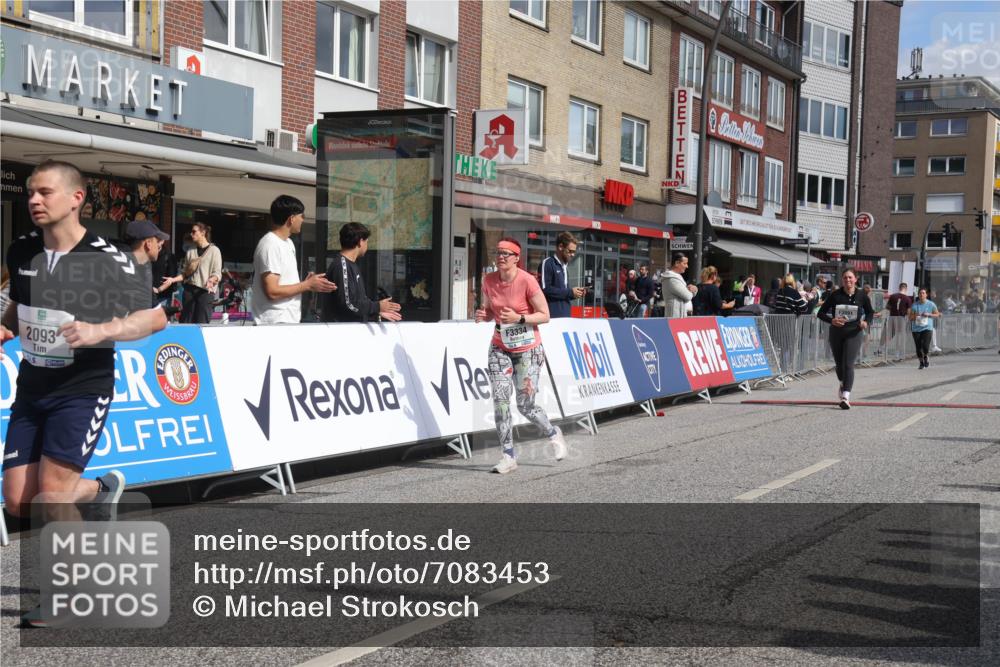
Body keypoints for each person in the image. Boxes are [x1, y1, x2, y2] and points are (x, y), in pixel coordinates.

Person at [1, 161, 167, 540]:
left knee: (53, 498)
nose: (34, 200)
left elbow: (155, 319)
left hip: (81, 389)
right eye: (30, 193)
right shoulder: (21, 250)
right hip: (31, 387)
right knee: (18, 501)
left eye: (45, 192)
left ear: (76, 198)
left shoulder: (108, 258)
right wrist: (5, 328)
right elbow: (17, 305)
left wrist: (102, 329)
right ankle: (99, 491)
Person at [474, 237, 566, 474]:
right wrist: (483, 315)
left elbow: (544, 315)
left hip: (528, 349)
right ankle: (508, 456)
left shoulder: (527, 281)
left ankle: (552, 432)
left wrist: (519, 318)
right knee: (501, 402)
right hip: (499, 347)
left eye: (506, 253)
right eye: (498, 252)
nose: (501, 257)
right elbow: (488, 309)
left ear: (517, 258)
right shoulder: (489, 280)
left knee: (525, 404)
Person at [251, 195, 336, 325]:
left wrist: (307, 284)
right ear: (291, 219)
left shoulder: (288, 243)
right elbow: (272, 291)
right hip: (273, 322)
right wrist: (306, 285)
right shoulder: (270, 245)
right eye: (302, 216)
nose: (303, 219)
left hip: (288, 320)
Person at [817, 269, 874, 409]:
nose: (847, 280)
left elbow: (870, 312)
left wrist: (866, 322)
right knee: (839, 365)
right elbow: (820, 313)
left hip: (854, 332)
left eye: (850, 277)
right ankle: (843, 383)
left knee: (848, 364)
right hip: (836, 333)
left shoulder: (862, 295)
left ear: (856, 279)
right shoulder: (835, 295)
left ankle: (845, 397)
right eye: (845, 278)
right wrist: (832, 321)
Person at [322, 222, 401, 323]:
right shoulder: (342, 265)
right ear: (360, 242)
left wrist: (376, 310)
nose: (367, 246)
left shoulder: (350, 265)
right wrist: (377, 306)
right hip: (342, 331)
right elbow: (349, 304)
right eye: (367, 242)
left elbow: (359, 301)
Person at [161, 222, 222, 324]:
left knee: (202, 322)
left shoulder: (214, 251)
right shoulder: (190, 251)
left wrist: (212, 279)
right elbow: (185, 273)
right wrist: (172, 280)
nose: (191, 234)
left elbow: (217, 273)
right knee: (186, 321)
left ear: (203, 232)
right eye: (191, 232)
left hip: (205, 292)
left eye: (194, 232)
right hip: (189, 290)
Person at [538, 231, 586, 318]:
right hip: (552, 317)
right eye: (570, 251)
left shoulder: (564, 267)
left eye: (574, 252)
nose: (573, 255)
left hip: (565, 316)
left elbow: (563, 293)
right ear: (560, 247)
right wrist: (570, 292)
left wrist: (575, 294)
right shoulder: (548, 263)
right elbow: (545, 289)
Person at [124, 220, 170, 307]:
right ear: (148, 243)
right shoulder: (121, 270)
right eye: (157, 242)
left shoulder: (143, 270)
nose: (159, 246)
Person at [908, 287, 940, 369]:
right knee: (918, 347)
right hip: (916, 329)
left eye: (923, 293)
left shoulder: (931, 304)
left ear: (926, 295)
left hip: (927, 328)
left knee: (925, 346)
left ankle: (926, 356)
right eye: (920, 293)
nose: (921, 294)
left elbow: (937, 314)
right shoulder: (915, 305)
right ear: (918, 295)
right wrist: (916, 316)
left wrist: (929, 314)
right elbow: (910, 317)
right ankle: (921, 362)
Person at [661, 252, 698, 318]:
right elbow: (687, 296)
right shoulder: (672, 279)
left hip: (679, 316)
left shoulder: (676, 277)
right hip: (674, 317)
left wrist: (692, 289)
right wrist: (692, 290)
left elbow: (687, 294)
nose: (687, 266)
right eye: (684, 263)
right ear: (677, 263)